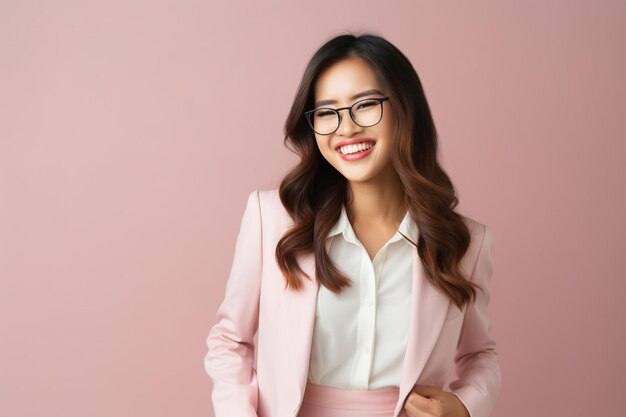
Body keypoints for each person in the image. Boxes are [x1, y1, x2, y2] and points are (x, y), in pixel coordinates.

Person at [204, 32, 501, 417]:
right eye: (327, 113)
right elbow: (229, 340)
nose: (345, 129)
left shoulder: (464, 242)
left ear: (404, 109)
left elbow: (481, 354)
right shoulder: (272, 219)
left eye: (365, 105)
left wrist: (464, 406)